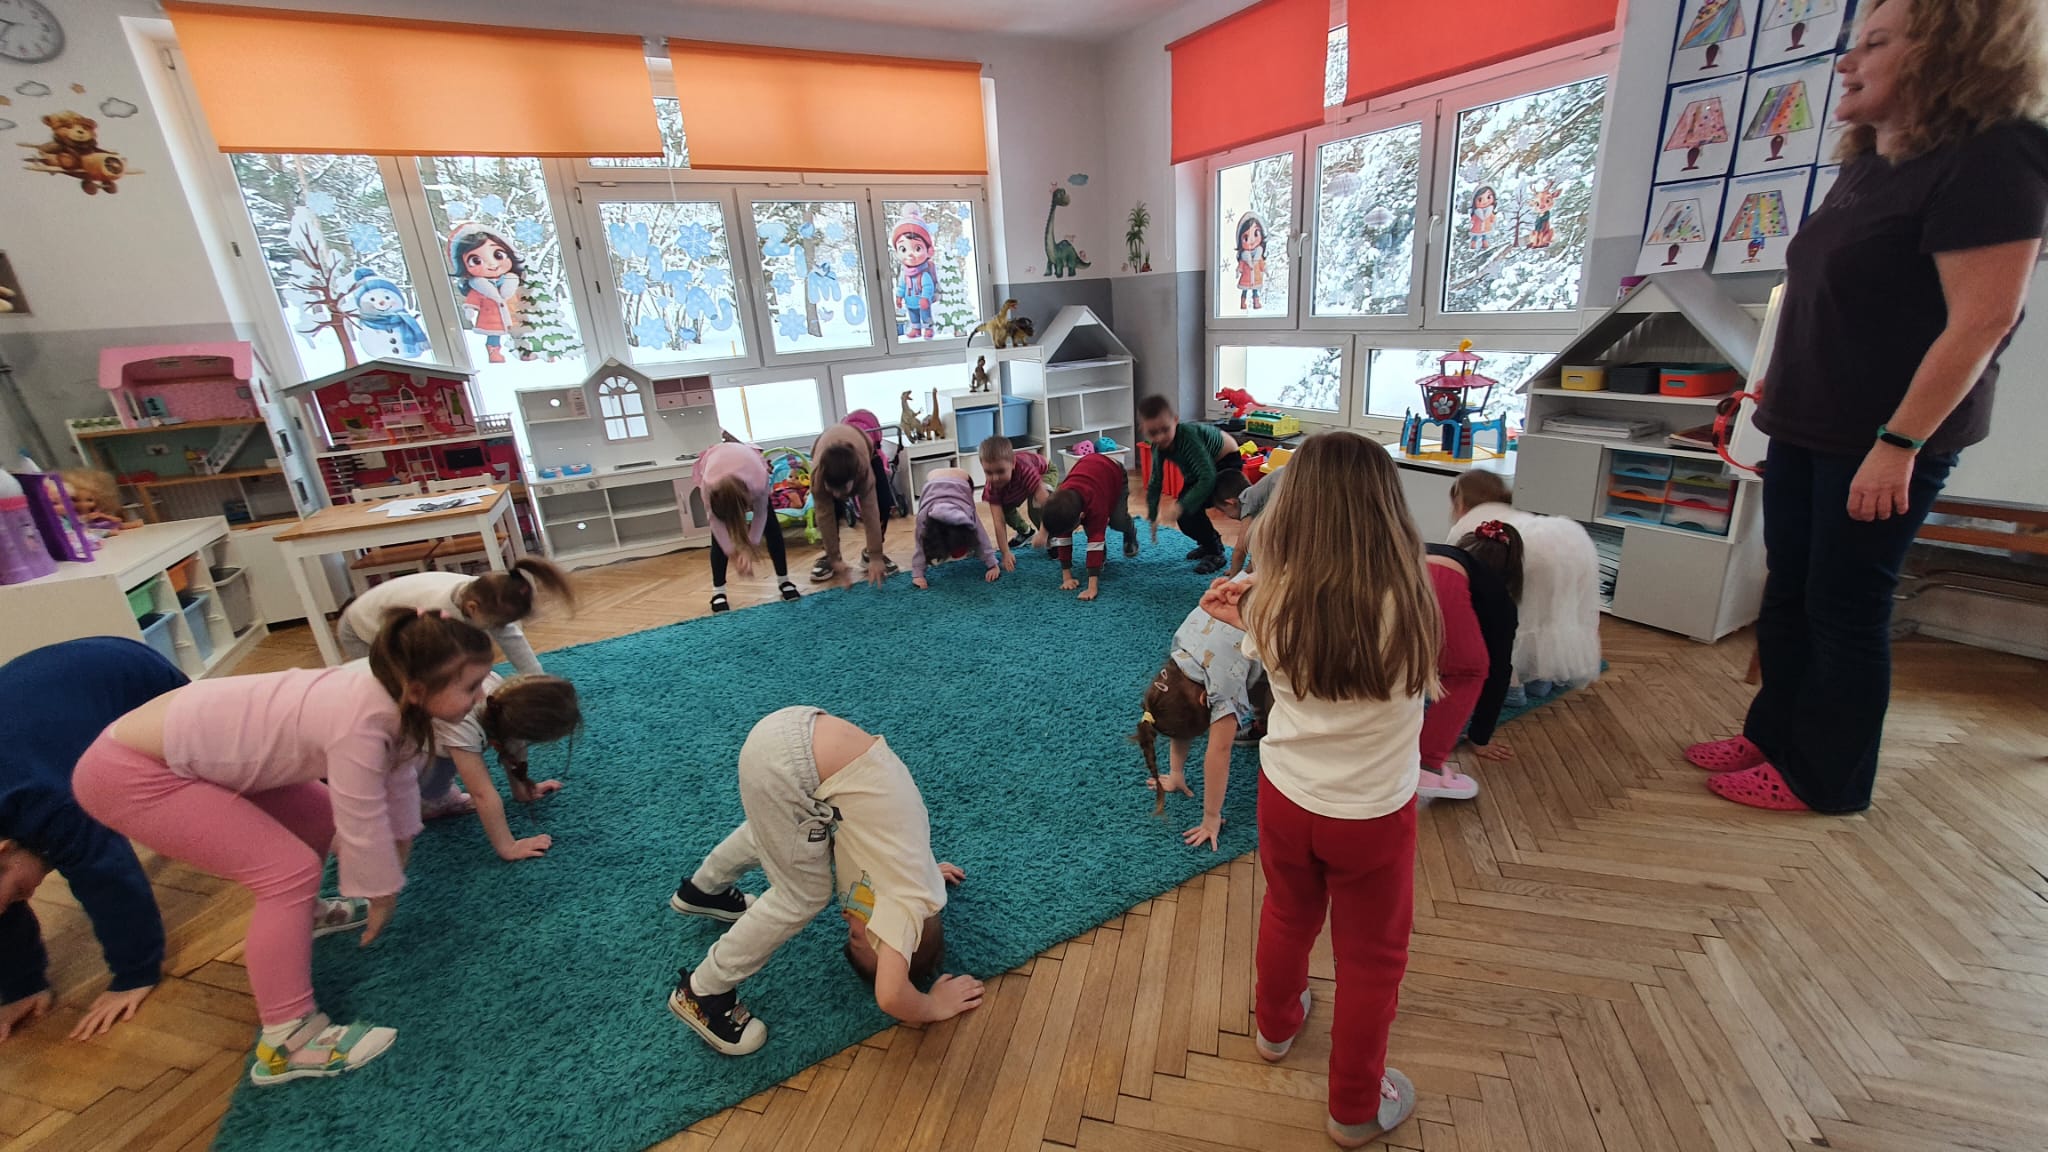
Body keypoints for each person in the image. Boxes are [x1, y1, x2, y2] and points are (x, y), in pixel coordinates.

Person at [1690, 0, 2048, 812]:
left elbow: (1984, 319)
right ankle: (1774, 736)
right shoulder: (1869, 164)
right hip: (1807, 423)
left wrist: (1899, 443)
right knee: (1788, 591)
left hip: (1881, 439)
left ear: (1949, 53)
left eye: (1876, 43)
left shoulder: (1996, 157)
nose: (1846, 63)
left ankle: (1827, 780)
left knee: (1845, 607)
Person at [73, 611, 498, 1085]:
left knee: (317, 820)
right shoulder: (361, 720)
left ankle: (304, 917)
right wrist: (380, 891)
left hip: (193, 755)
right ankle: (287, 1040)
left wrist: (391, 878)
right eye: (471, 686)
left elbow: (397, 785)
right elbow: (360, 817)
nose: (481, 695)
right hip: (130, 773)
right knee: (287, 872)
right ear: (417, 690)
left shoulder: (396, 697)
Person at [1198, 431, 1425, 1148]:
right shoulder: (1413, 598)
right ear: (1387, 509)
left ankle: (1274, 1027)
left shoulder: (1274, 600)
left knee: (1287, 914)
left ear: (1296, 507)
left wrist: (1246, 603)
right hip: (1372, 816)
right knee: (1371, 962)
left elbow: (1271, 629)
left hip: (1287, 799)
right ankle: (1354, 1108)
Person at [666, 708, 979, 1056]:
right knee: (804, 897)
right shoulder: (902, 913)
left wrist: (931, 875)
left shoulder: (910, 871)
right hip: (789, 767)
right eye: (857, 936)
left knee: (788, 839)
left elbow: (902, 849)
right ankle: (703, 991)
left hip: (794, 730)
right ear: (899, 942)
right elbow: (891, 996)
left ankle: (705, 890)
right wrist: (932, 1005)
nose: (846, 918)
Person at [0, 639, 185, 1043]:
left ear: (5, 848)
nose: (22, 899)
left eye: (16, 894)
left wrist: (135, 973)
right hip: (51, 697)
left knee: (211, 772)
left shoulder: (44, 801)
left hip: (130, 676)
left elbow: (108, 879)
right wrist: (21, 985)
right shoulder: (24, 815)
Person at [1136, 575, 1270, 851]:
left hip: (1276, 607)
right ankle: (1263, 718)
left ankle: (1267, 722)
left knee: (1277, 692)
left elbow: (1218, 753)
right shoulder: (1178, 660)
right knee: (1256, 682)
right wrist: (1175, 773)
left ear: (1203, 699)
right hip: (1245, 587)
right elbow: (1178, 719)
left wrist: (1211, 818)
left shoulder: (1220, 687)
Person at [1447, 470, 1601, 699]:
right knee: (1550, 613)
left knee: (1516, 614)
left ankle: (1513, 685)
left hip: (1529, 553)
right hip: (1569, 540)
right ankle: (1542, 676)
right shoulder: (1513, 512)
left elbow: (1457, 576)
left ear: (1460, 502)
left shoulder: (1469, 526)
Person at [1417, 521, 1523, 799]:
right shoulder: (1499, 599)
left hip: (1392, 566)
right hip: (1433, 578)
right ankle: (1426, 766)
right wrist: (1480, 737)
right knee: (1469, 671)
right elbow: (1498, 671)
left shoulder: (1447, 554)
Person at [424, 673, 581, 859]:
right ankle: (426, 803)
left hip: (431, 739)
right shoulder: (461, 722)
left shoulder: (503, 699)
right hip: (403, 758)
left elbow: (514, 744)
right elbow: (481, 793)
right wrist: (508, 847)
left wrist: (522, 789)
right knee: (429, 788)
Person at [336, 559, 576, 677]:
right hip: (361, 629)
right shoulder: (436, 614)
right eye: (497, 624)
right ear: (472, 609)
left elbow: (512, 638)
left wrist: (536, 677)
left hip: (397, 617)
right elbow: (433, 664)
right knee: (388, 684)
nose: (501, 629)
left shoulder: (481, 593)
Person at [697, 439, 802, 614]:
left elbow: (760, 515)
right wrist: (732, 553)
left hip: (748, 464)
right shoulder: (709, 486)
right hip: (717, 462)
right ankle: (718, 592)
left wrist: (748, 548)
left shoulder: (758, 482)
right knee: (717, 539)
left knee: (772, 527)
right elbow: (715, 521)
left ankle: (784, 580)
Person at [1138, 396, 1240, 574]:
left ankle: (1216, 552)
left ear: (1175, 421)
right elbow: (1155, 482)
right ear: (1144, 430)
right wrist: (1153, 516)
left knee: (1188, 510)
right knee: (1186, 515)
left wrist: (1181, 505)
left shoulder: (1187, 436)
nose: (1160, 437)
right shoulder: (1157, 447)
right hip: (1200, 468)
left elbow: (1207, 477)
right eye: (1153, 433)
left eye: (1165, 429)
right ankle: (1210, 542)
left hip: (1226, 460)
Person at [808, 415, 897, 588]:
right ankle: (829, 558)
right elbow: (824, 516)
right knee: (832, 511)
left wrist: (876, 556)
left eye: (842, 489)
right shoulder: (818, 477)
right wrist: (835, 558)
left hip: (865, 447)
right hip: (824, 446)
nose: (837, 494)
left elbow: (870, 512)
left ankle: (870, 554)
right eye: (832, 489)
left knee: (884, 502)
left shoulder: (863, 471)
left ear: (854, 479)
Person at [1041, 450, 1142, 602]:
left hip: (1114, 474)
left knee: (1117, 521)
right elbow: (1063, 537)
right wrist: (1067, 577)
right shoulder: (1061, 503)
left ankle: (1130, 530)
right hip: (1091, 475)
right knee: (1090, 527)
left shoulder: (1096, 506)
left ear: (1081, 516)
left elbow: (1096, 537)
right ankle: (1102, 553)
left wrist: (1092, 587)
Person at [910, 467, 1000, 589]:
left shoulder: (966, 512)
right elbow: (920, 543)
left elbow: (980, 534)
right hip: (936, 481)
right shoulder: (924, 516)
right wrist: (918, 574)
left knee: (968, 541)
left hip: (961, 480)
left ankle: (970, 549)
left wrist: (993, 564)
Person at [979, 437, 1053, 562]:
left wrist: (1043, 533)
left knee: (1035, 505)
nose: (995, 478)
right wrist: (1005, 553)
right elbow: (998, 521)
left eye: (1000, 471)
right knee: (1005, 510)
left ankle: (1053, 537)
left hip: (1044, 472)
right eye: (988, 473)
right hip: (1017, 483)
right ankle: (1026, 532)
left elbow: (1046, 503)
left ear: (1013, 463)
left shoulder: (1025, 469)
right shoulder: (992, 487)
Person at [1214, 468, 1283, 577]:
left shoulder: (1247, 501)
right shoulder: (1259, 499)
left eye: (1224, 511)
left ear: (1231, 503)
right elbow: (1260, 546)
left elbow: (1240, 550)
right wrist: (1247, 572)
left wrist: (1233, 579)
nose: (1227, 516)